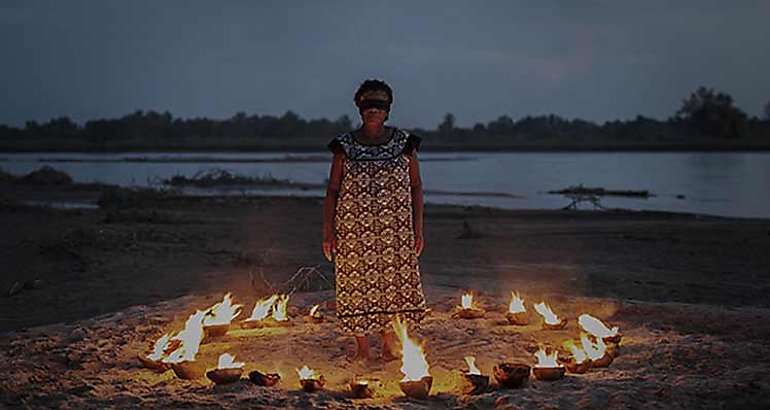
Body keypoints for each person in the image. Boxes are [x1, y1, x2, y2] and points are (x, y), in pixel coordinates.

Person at [323, 79, 427, 362]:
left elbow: (416, 186)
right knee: (355, 287)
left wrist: (418, 228)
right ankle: (361, 349)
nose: (374, 109)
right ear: (359, 107)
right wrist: (328, 231)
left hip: (396, 231)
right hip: (354, 232)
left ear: (388, 109)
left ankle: (387, 344)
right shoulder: (344, 146)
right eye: (368, 103)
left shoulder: (405, 144)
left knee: (393, 287)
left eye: (380, 104)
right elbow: (332, 190)